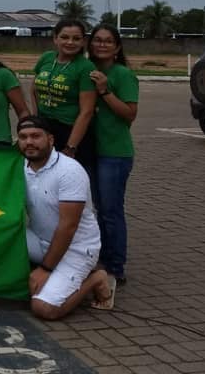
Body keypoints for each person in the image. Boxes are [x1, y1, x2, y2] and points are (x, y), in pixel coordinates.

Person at [17, 115, 116, 319]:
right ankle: (53, 273)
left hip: (76, 247)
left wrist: (45, 270)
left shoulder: (69, 171)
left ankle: (97, 278)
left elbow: (68, 227)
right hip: (39, 240)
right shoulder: (20, 167)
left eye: (35, 136)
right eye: (23, 137)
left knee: (43, 307)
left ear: (50, 139)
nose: (29, 142)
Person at [88, 24, 139, 285]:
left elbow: (130, 114)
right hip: (91, 151)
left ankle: (115, 266)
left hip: (115, 153)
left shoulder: (122, 74)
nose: (102, 45)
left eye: (108, 41)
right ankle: (102, 260)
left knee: (111, 211)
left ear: (117, 47)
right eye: (97, 40)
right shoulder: (87, 71)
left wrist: (105, 91)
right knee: (97, 209)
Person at [31, 20, 97, 170]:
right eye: (64, 37)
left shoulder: (85, 67)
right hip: (45, 129)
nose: (70, 42)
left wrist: (71, 147)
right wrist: (36, 118)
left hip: (71, 132)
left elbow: (86, 112)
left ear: (83, 41)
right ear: (55, 38)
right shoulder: (46, 58)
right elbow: (34, 89)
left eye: (76, 38)